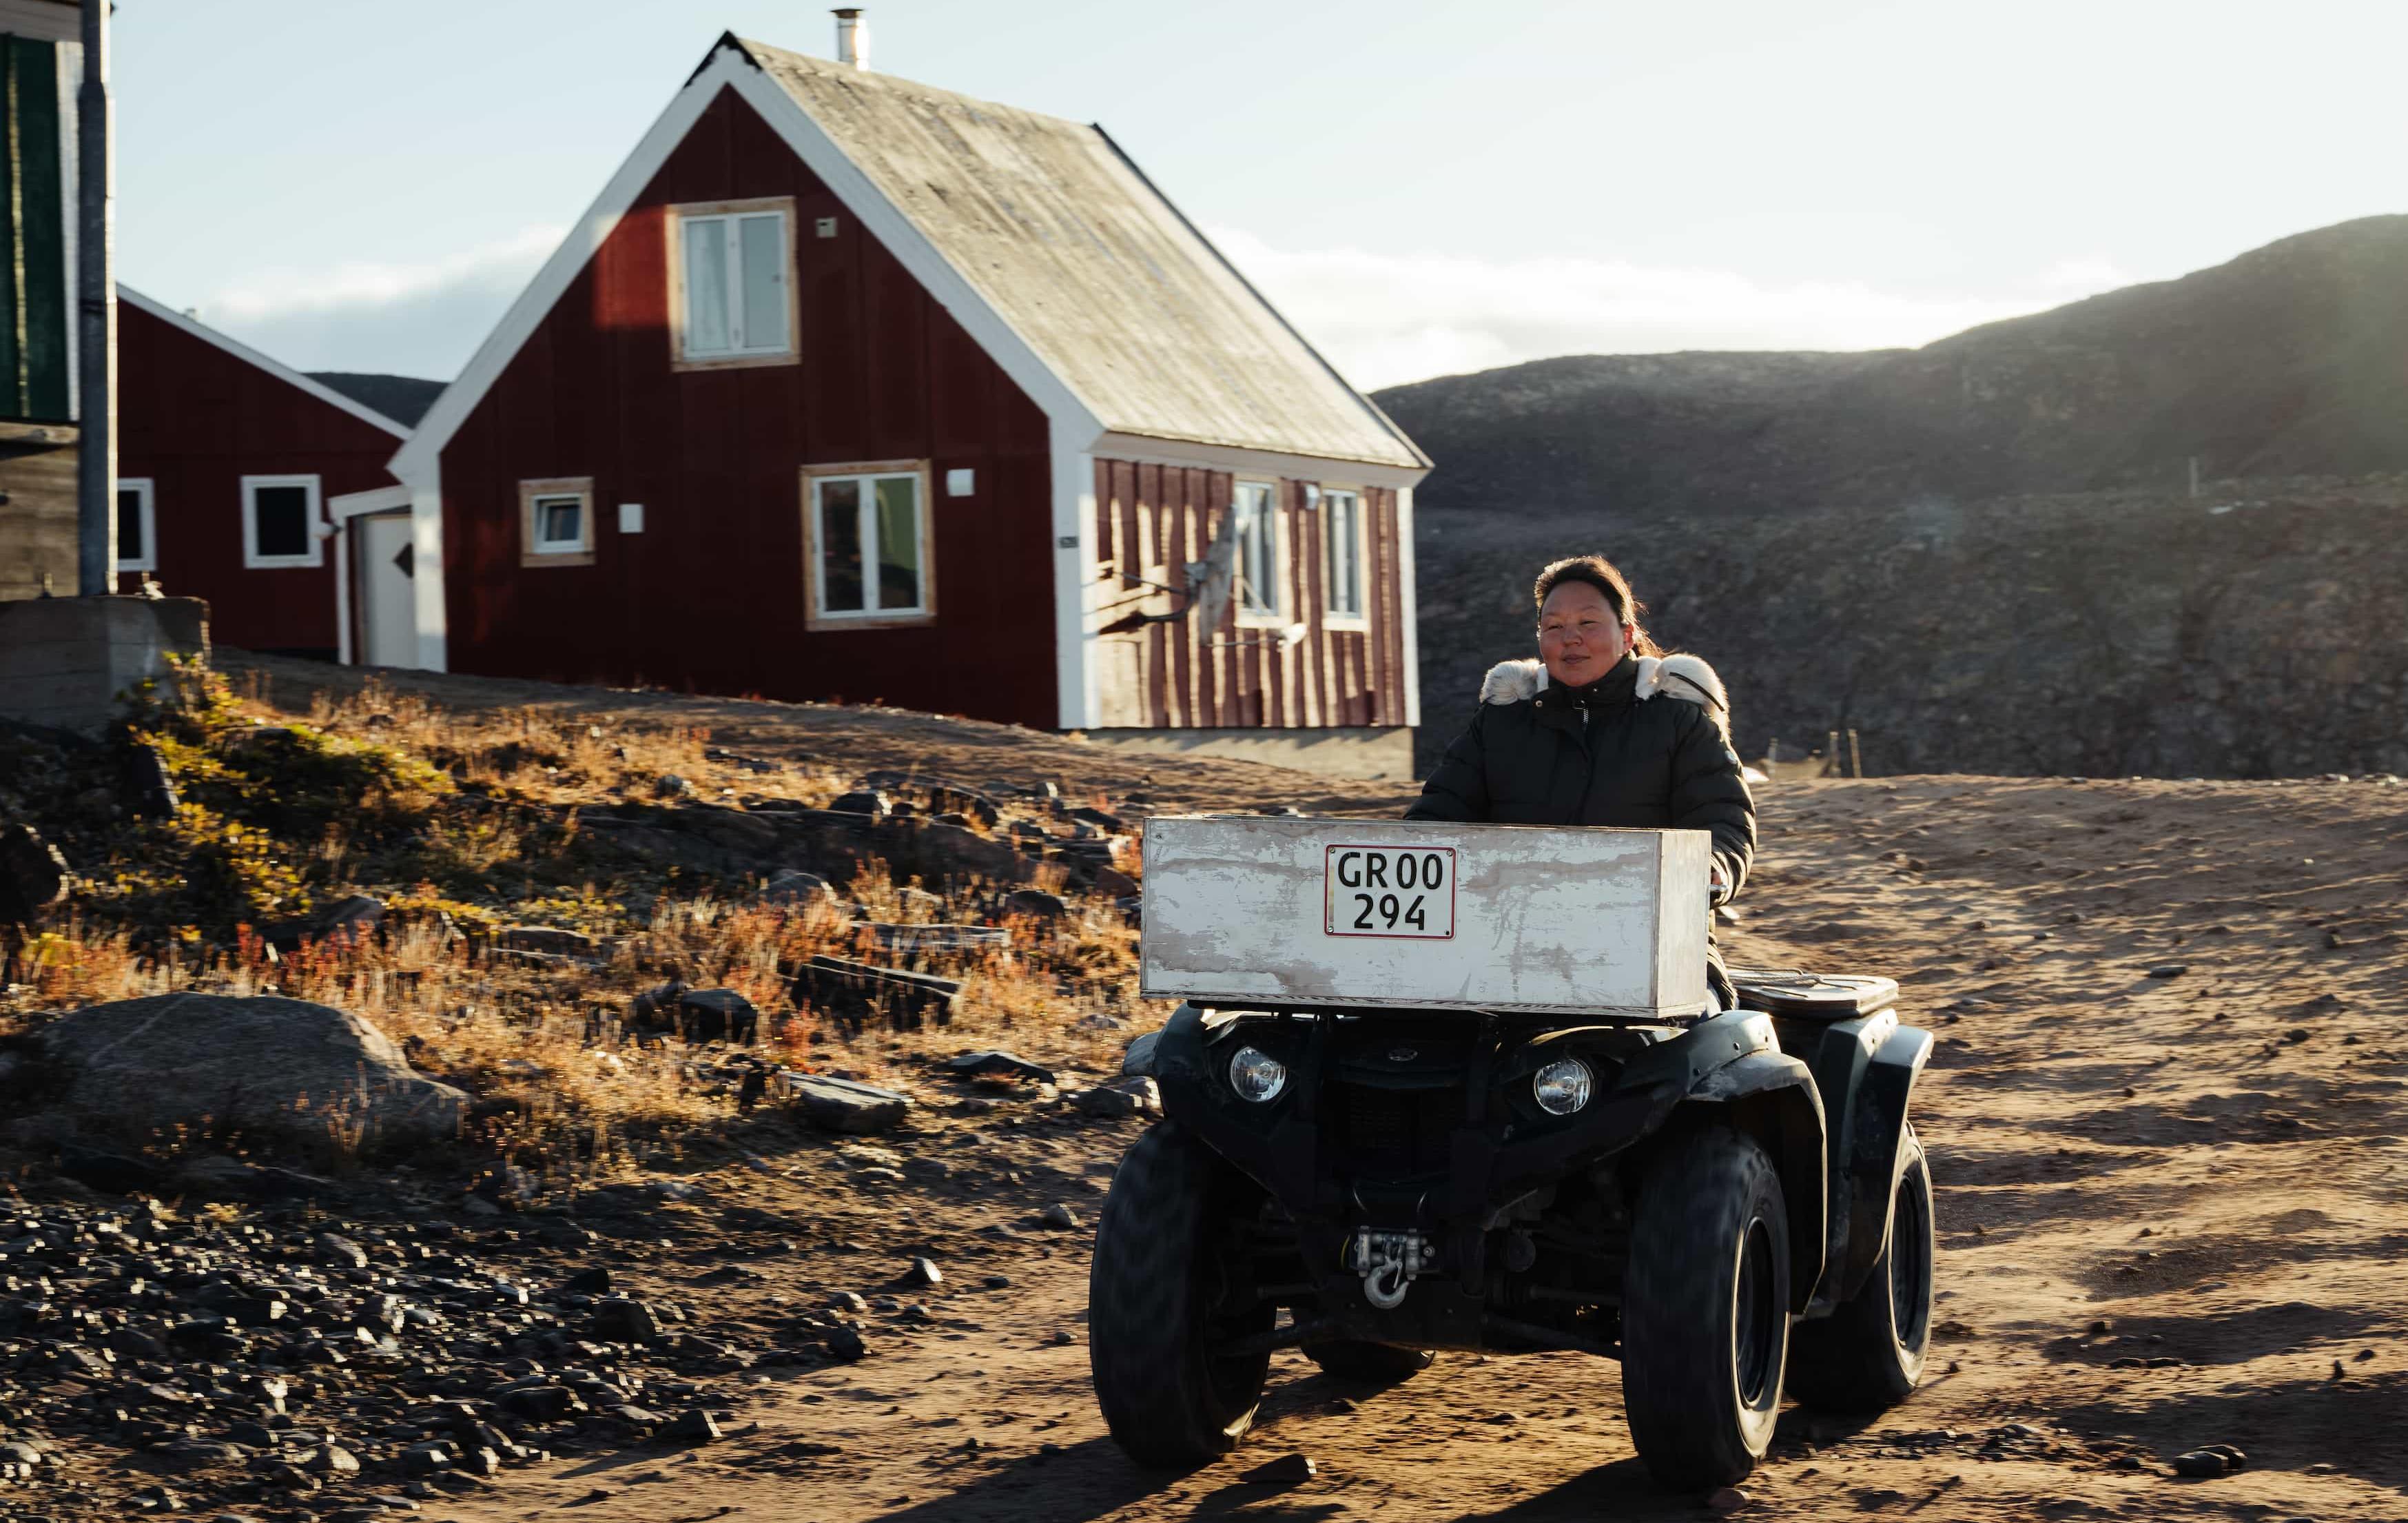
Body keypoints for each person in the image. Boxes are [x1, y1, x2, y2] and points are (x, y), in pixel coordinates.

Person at [1407, 554, 1755, 1007]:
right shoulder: (1500, 724)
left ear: (1627, 634)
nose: (1569, 639)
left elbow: (1724, 822)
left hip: (1656, 951)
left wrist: (1712, 870)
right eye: (1553, 627)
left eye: (1588, 623)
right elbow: (1434, 821)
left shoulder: (1679, 721)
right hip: (1505, 946)